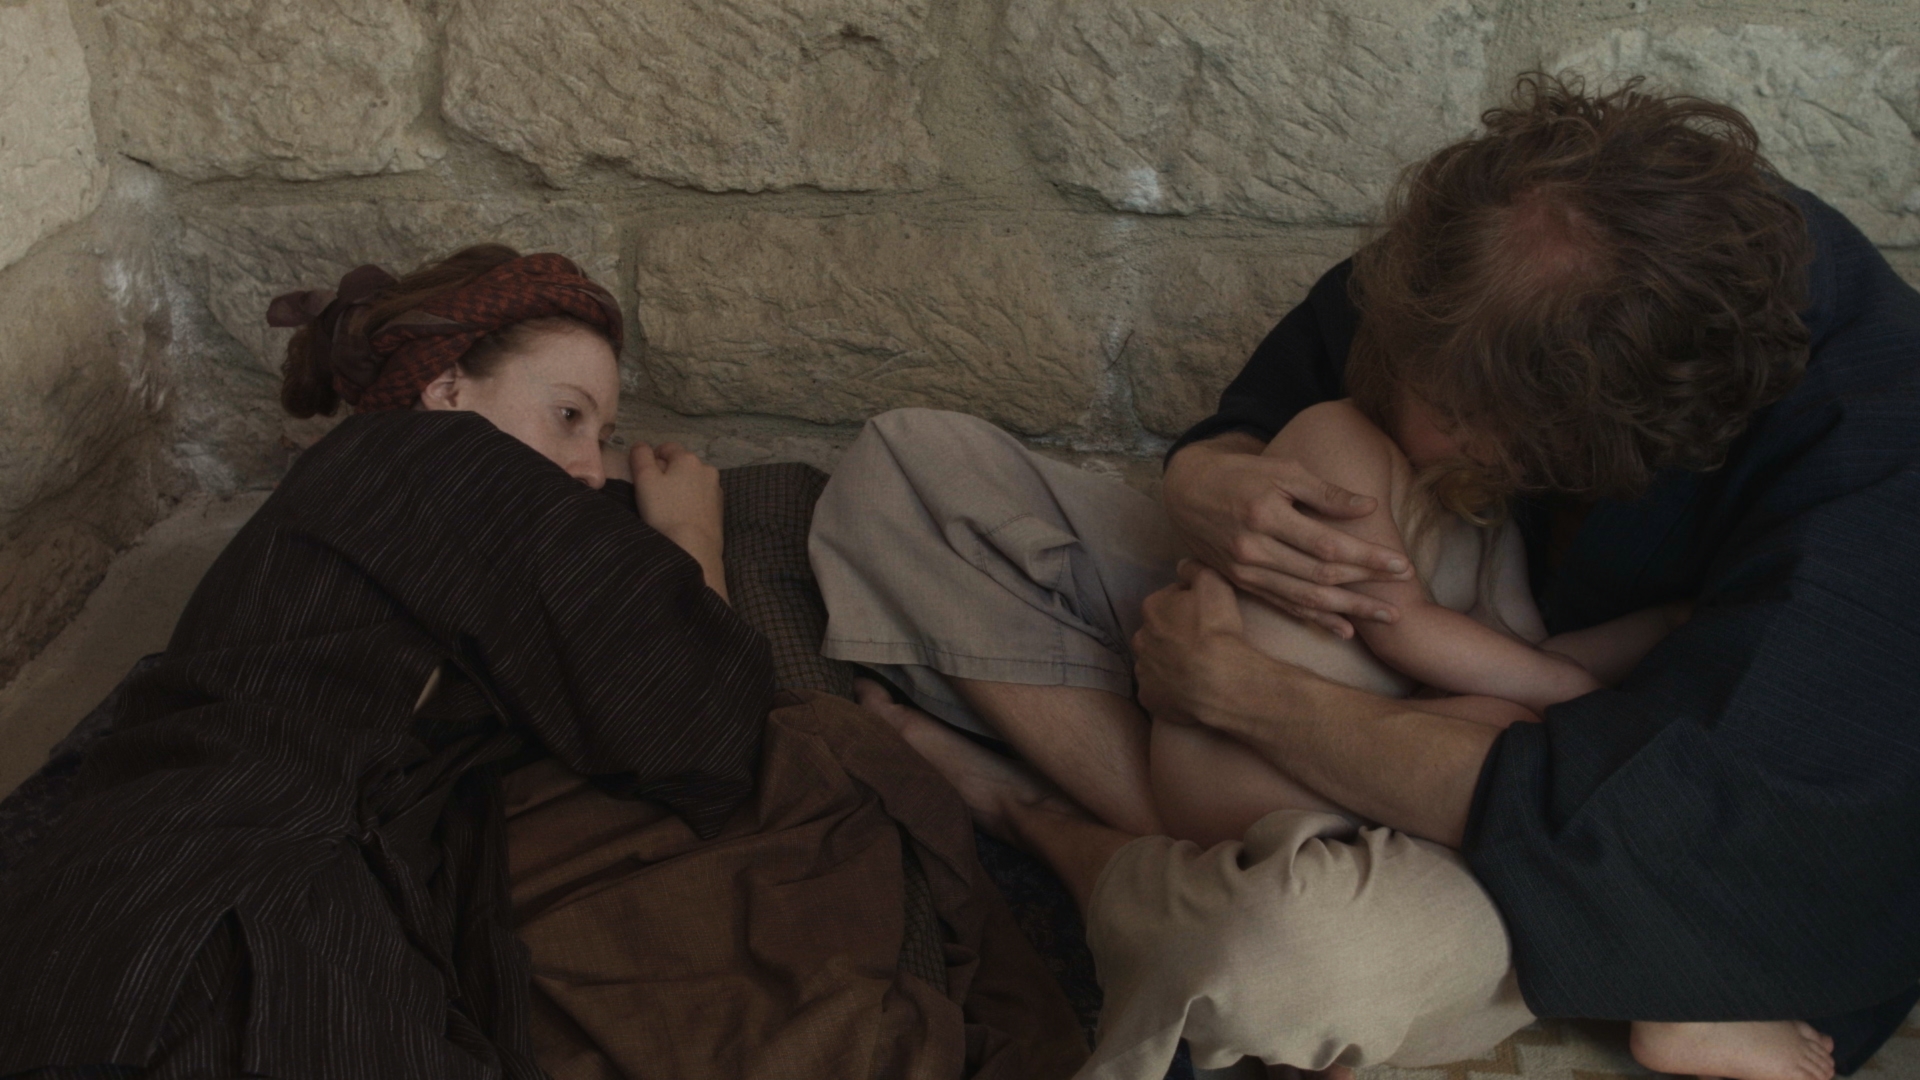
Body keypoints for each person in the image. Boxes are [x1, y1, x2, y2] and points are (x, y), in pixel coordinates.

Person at [809, 75, 1920, 1080]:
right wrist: (1208, 477)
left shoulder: (1866, 479)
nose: (1413, 419)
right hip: (1413, 688)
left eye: (1454, 413)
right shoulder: (1523, 244)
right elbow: (1290, 396)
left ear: (1583, 439)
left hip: (1586, 834)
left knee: (1286, 960)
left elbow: (1692, 829)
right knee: (907, 476)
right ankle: (1197, 856)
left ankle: (1055, 827)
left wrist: (1248, 695)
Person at [0, 245, 1085, 1078]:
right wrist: (691, 542)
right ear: (446, 391)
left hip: (279, 896)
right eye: (568, 417)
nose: (584, 466)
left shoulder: (412, 523)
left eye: (598, 436)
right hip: (208, 899)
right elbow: (698, 729)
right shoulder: (420, 459)